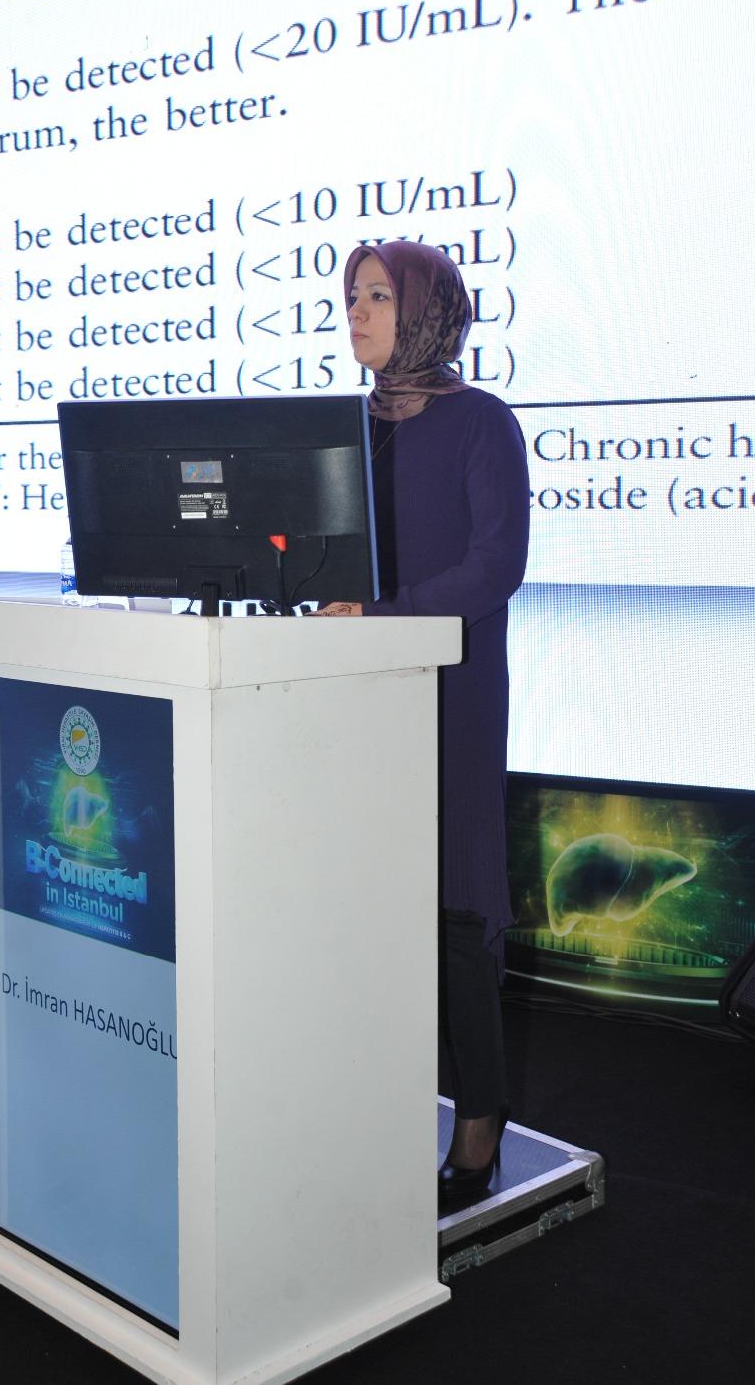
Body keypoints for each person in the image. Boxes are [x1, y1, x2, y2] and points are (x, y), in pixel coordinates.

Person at [313, 240, 530, 1205]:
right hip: (355, 696)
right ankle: (377, 1100)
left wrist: (385, 617)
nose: (355, 313)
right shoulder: (342, 431)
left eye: (377, 295)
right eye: (350, 296)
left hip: (452, 694)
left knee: (453, 913)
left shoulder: (482, 422)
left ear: (428, 311)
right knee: (366, 908)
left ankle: (479, 1117)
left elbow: (496, 565)